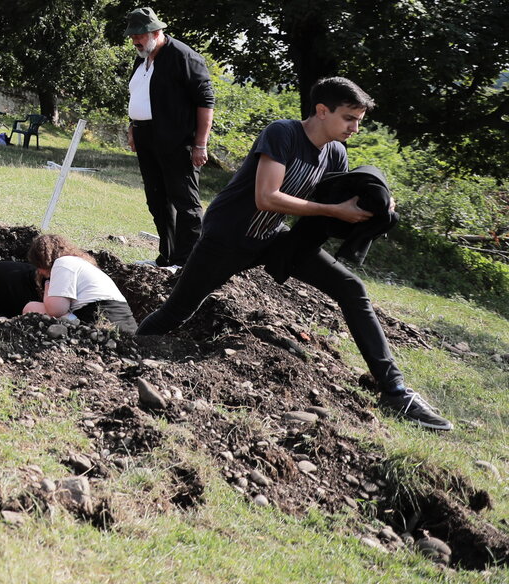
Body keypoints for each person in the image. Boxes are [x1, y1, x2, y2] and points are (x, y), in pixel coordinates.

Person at [137, 77, 451, 430]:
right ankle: (128, 351)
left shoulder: (335, 153)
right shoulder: (283, 133)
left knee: (351, 288)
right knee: (177, 311)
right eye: (349, 118)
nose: (355, 128)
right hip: (228, 236)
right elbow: (267, 197)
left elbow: (338, 199)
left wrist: (378, 202)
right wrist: (334, 210)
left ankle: (395, 391)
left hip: (274, 236)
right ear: (322, 111)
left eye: (359, 120)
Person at [123, 7, 216, 268]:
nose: (135, 41)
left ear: (156, 32)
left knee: (185, 202)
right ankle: (167, 257)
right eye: (133, 36)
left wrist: (200, 144)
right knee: (157, 199)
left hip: (177, 139)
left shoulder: (184, 57)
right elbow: (140, 95)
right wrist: (133, 126)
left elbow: (206, 101)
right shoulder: (142, 57)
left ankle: (187, 263)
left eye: (139, 35)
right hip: (146, 136)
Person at [22, 233, 136, 333]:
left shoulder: (62, 263)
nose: (39, 272)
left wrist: (47, 286)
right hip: (126, 324)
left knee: (31, 307)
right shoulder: (81, 264)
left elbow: (56, 309)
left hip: (100, 321)